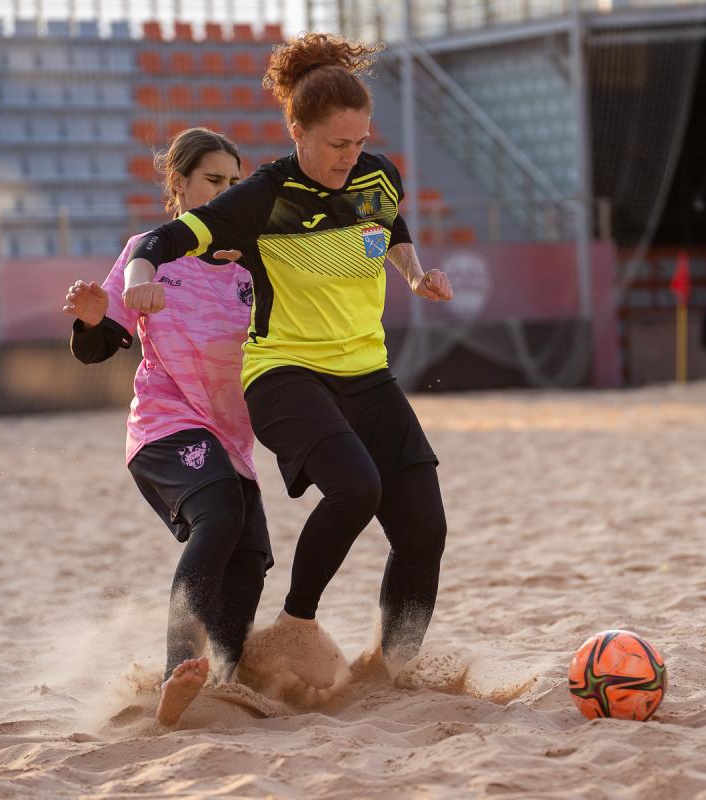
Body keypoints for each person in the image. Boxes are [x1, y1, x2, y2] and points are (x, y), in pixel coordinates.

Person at [119, 33, 454, 688]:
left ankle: (393, 669)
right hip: (285, 374)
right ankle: (296, 622)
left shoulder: (378, 175)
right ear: (297, 131)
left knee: (424, 532)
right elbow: (164, 239)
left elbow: (390, 227)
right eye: (337, 144)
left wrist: (415, 275)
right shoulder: (265, 195)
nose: (350, 157)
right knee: (357, 487)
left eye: (359, 142)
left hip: (367, 373)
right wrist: (138, 276)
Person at [64, 127, 273, 726]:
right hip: (165, 426)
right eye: (213, 180)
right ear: (178, 184)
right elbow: (100, 346)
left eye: (235, 183)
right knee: (220, 517)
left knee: (252, 555)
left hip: (231, 440)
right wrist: (91, 320)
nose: (226, 193)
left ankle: (224, 680)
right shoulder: (149, 252)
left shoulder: (251, 262)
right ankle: (178, 669)